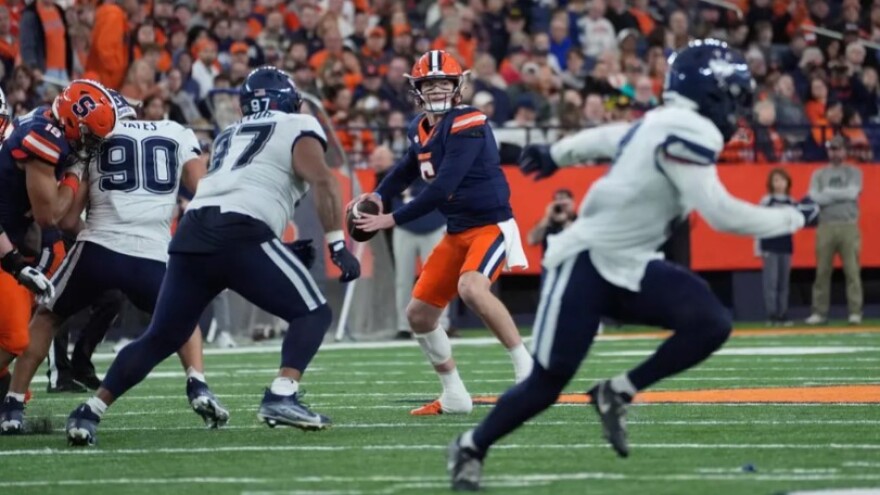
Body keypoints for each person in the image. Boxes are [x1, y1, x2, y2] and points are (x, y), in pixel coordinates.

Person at [447, 40, 819, 491]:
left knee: (711, 322)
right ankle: (471, 445)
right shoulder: (690, 129)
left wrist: (557, 154)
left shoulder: (667, 121)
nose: (738, 106)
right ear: (713, 92)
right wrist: (794, 215)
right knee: (547, 382)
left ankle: (616, 391)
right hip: (584, 264)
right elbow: (722, 214)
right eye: (734, 94)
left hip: (632, 265)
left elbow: (611, 136)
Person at [65, 67, 361, 447]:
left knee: (161, 336)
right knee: (313, 312)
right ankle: (282, 394)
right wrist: (337, 243)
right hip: (240, 232)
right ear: (288, 99)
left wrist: (274, 250)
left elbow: (232, 195)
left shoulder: (229, 134)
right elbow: (322, 179)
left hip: (194, 233)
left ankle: (91, 410)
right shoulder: (298, 124)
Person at [0, 89, 227, 435]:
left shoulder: (91, 141)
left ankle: (14, 405)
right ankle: (197, 383)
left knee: (47, 317)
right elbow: (203, 190)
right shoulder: (177, 132)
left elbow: (66, 220)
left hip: (99, 245)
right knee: (184, 315)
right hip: (153, 250)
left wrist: (79, 182)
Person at [352, 50, 532, 416]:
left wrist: (392, 218)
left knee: (471, 287)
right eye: (429, 83)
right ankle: (453, 394)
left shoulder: (470, 121)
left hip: (489, 225)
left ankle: (528, 370)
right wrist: (379, 194)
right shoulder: (419, 127)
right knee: (419, 314)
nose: (436, 90)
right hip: (457, 229)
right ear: (417, 89)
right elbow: (407, 168)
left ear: (458, 86)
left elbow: (442, 187)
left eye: (442, 83)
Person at [0, 80, 116, 403]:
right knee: (14, 338)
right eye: (89, 135)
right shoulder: (44, 137)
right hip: (6, 244)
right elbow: (49, 215)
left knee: (19, 331)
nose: (90, 144)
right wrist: (75, 173)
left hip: (14, 242)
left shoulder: (50, 128)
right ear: (70, 121)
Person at [805, 135, 863, 325]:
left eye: (838, 149)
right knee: (822, 271)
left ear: (844, 151)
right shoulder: (818, 173)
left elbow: (852, 193)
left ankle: (855, 311)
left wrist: (828, 193)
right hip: (826, 226)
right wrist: (838, 195)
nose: (834, 152)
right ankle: (819, 313)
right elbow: (815, 197)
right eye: (831, 149)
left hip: (848, 225)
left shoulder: (854, 171)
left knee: (852, 271)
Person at [756, 168, 796, 326]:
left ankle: (783, 313)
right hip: (770, 245)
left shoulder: (791, 202)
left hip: (785, 245)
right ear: (771, 183)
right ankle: (772, 315)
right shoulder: (767, 201)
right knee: (771, 282)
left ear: (787, 183)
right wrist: (758, 247)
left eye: (782, 180)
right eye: (776, 180)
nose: (779, 184)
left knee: (783, 282)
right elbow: (758, 222)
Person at [527, 189, 576, 253]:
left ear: (572, 202)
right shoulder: (547, 222)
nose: (560, 203)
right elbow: (532, 241)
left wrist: (565, 221)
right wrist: (547, 218)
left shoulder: (580, 220)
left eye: (563, 199)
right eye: (557, 200)